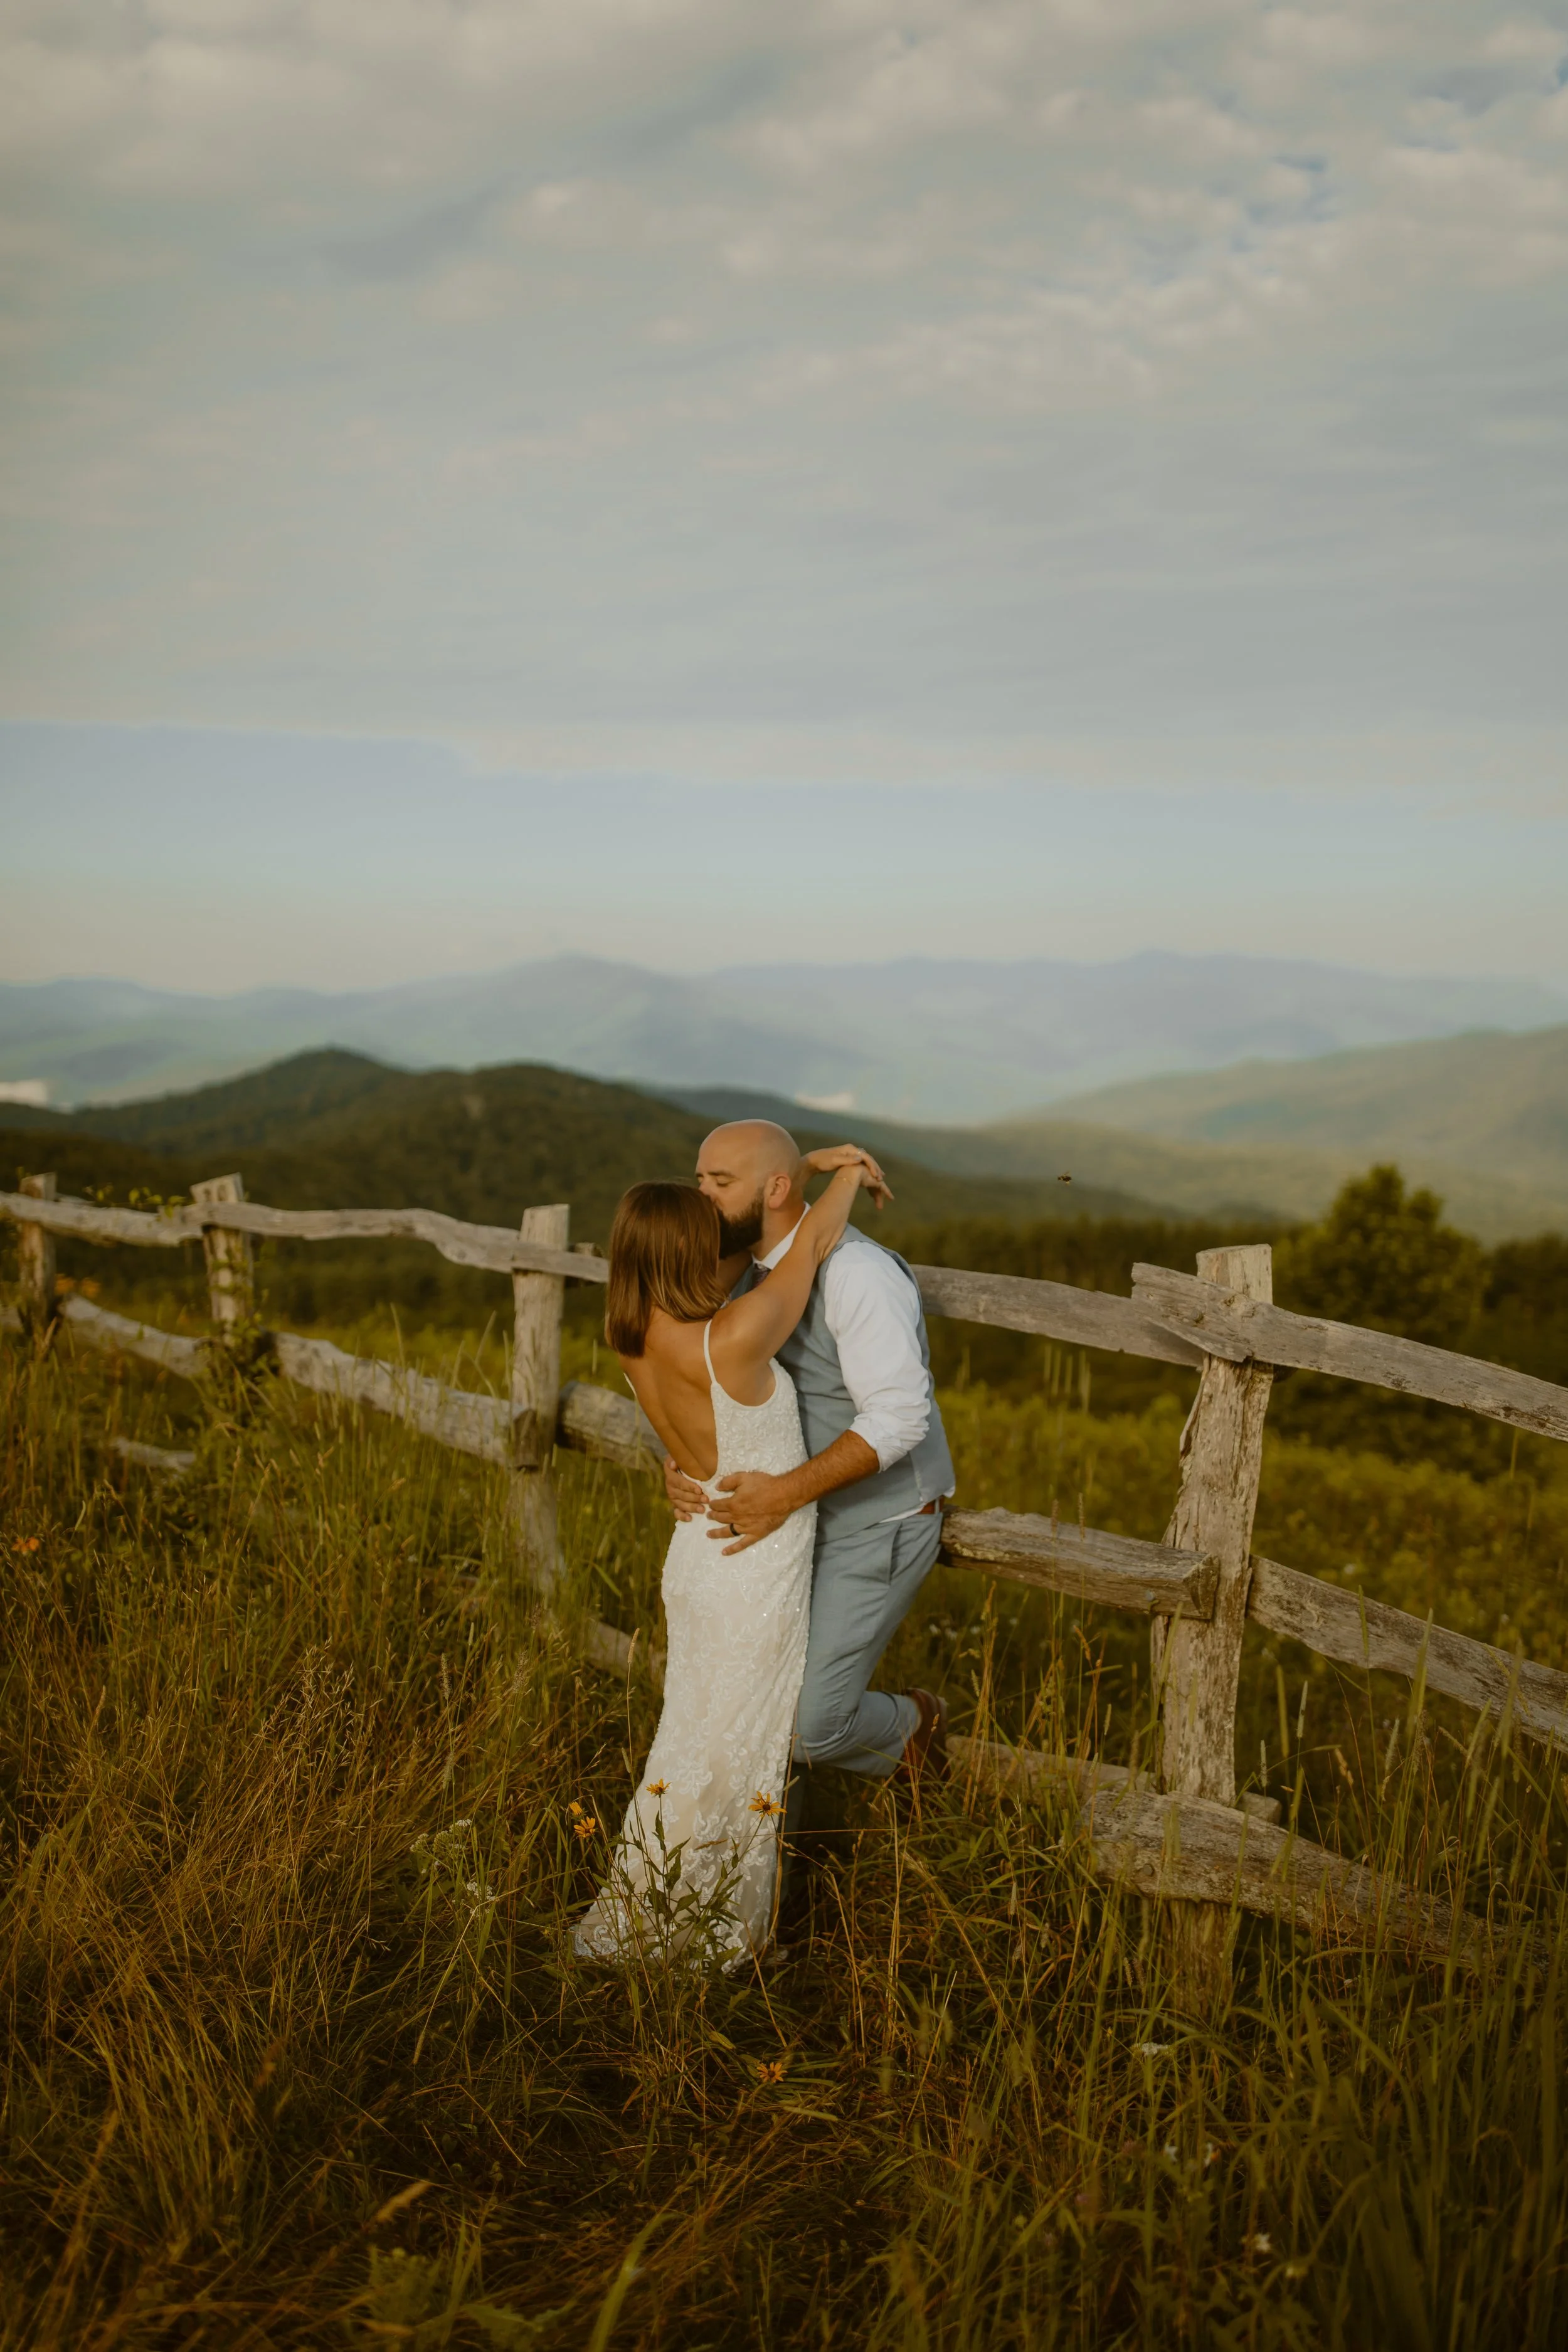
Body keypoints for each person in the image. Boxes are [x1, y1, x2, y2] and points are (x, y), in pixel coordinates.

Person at [573, 1145, 887, 1966]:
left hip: (695, 1553)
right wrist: (848, 1170)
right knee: (739, 1746)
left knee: (690, 1742)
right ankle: (727, 1935)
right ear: (685, 1251)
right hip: (753, 1563)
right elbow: (813, 1243)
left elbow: (687, 1432)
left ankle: (650, 1913)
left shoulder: (629, 1335)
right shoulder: (735, 1337)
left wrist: (796, 1164)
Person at [666, 1119, 955, 1808]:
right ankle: (774, 1871)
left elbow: (900, 1417)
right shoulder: (740, 1269)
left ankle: (921, 1723)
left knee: (807, 1728)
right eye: (699, 1179)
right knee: (749, 1703)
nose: (700, 1196)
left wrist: (784, 1494)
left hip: (874, 1523)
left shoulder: (857, 1272)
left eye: (719, 1183)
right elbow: (704, 1374)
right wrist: (681, 1464)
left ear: (772, 1189)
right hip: (788, 1526)